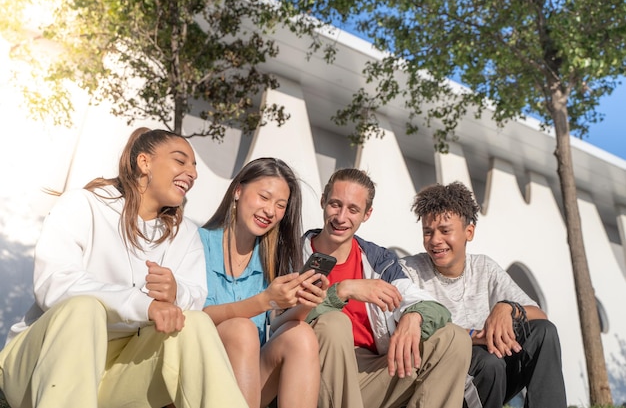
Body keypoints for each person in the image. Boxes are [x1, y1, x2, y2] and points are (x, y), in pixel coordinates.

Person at [0, 127, 247, 408]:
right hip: (40, 364)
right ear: (144, 162)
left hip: (118, 373)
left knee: (195, 323)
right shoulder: (83, 205)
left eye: (194, 166)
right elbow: (54, 284)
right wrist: (143, 304)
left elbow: (196, 297)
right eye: (181, 161)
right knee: (84, 308)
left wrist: (176, 293)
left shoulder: (185, 234)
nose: (192, 173)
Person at [303, 168, 471, 408]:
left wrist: (414, 316)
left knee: (454, 338)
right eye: (335, 205)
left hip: (370, 374)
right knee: (334, 324)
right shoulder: (293, 252)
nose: (341, 217)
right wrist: (342, 291)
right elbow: (281, 317)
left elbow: (435, 308)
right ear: (323, 202)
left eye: (353, 209)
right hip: (315, 374)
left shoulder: (378, 260)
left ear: (367, 214)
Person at [401, 181, 567, 408]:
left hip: (491, 373)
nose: (435, 240)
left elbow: (539, 315)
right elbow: (406, 330)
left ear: (469, 232)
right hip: (443, 374)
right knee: (489, 362)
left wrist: (507, 308)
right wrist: (474, 336)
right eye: (428, 232)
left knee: (543, 333)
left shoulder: (484, 268)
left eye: (445, 231)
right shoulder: (409, 271)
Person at [200, 157, 328, 408]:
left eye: (280, 205)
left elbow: (277, 323)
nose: (271, 211)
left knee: (300, 334)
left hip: (247, 379)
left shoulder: (274, 257)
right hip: (199, 371)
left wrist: (304, 303)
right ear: (238, 191)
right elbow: (197, 317)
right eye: (264, 197)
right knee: (242, 329)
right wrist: (265, 300)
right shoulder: (198, 242)